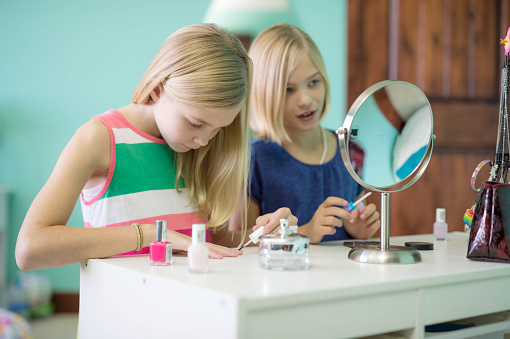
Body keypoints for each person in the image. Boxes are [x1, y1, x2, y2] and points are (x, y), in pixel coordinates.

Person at [16, 23, 295, 271]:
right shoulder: (99, 138)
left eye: (217, 129)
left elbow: (212, 240)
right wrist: (151, 235)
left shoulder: (199, 147)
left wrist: (265, 235)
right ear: (158, 88)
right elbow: (30, 249)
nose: (204, 140)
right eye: (196, 124)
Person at [247, 23, 380, 244]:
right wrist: (305, 232)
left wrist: (361, 229)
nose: (306, 100)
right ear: (264, 94)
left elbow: (357, 223)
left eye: (314, 82)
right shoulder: (255, 160)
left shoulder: (350, 150)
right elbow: (242, 242)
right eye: (289, 89)